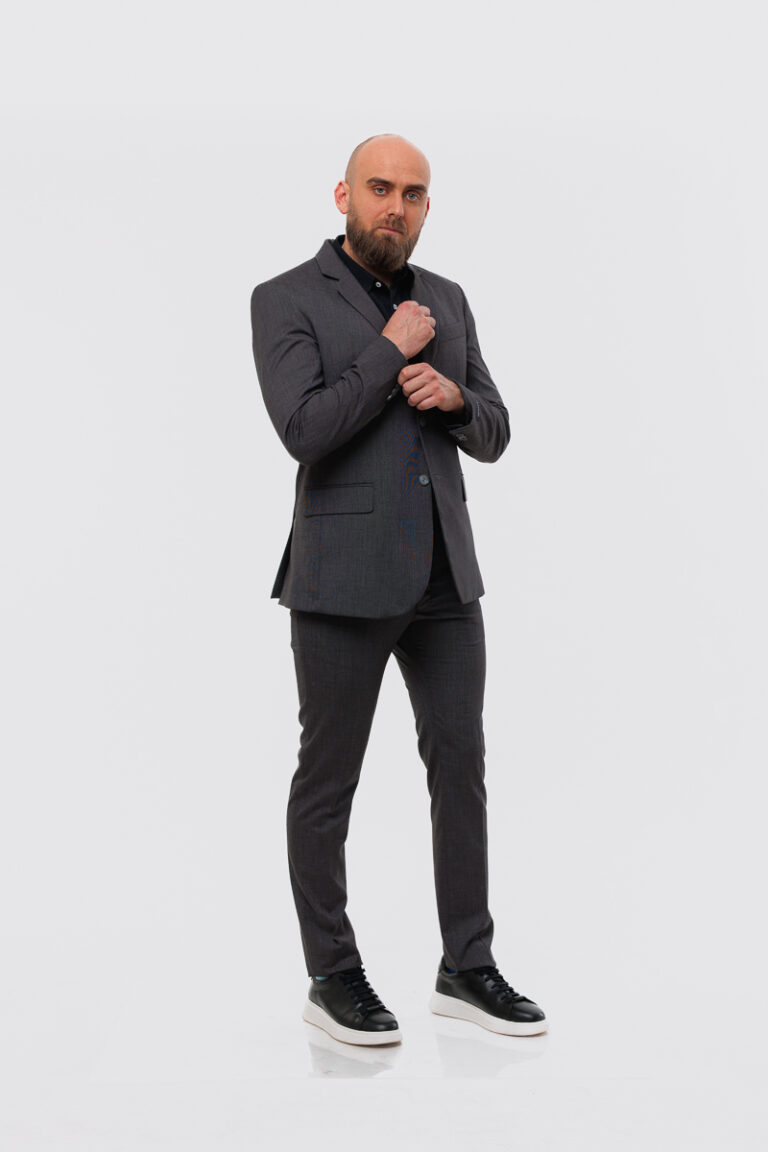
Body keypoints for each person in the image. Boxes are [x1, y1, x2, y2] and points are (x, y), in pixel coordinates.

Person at [250, 133, 546, 1046]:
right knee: (328, 780)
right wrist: (388, 352)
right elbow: (304, 430)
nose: (396, 207)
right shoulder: (285, 298)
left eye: (413, 194)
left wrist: (454, 400)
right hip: (341, 579)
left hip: (446, 579)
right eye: (380, 188)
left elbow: (495, 430)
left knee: (461, 768)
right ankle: (332, 974)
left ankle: (467, 965)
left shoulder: (447, 297)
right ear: (344, 194)